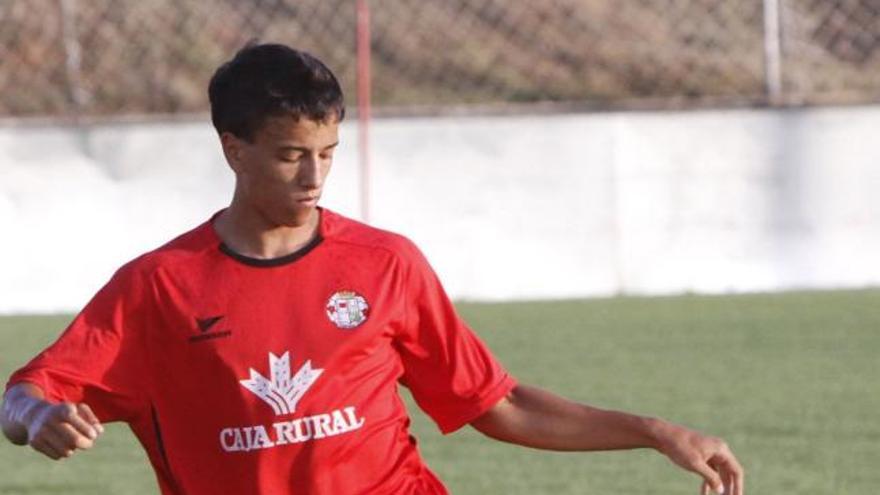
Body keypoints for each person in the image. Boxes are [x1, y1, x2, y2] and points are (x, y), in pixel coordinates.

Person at [1, 43, 743, 495]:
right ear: (233, 147)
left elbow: (498, 404)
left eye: (326, 152)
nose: (313, 174)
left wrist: (654, 431)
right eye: (292, 153)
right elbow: (21, 393)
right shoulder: (159, 287)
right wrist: (40, 419)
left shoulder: (385, 263)